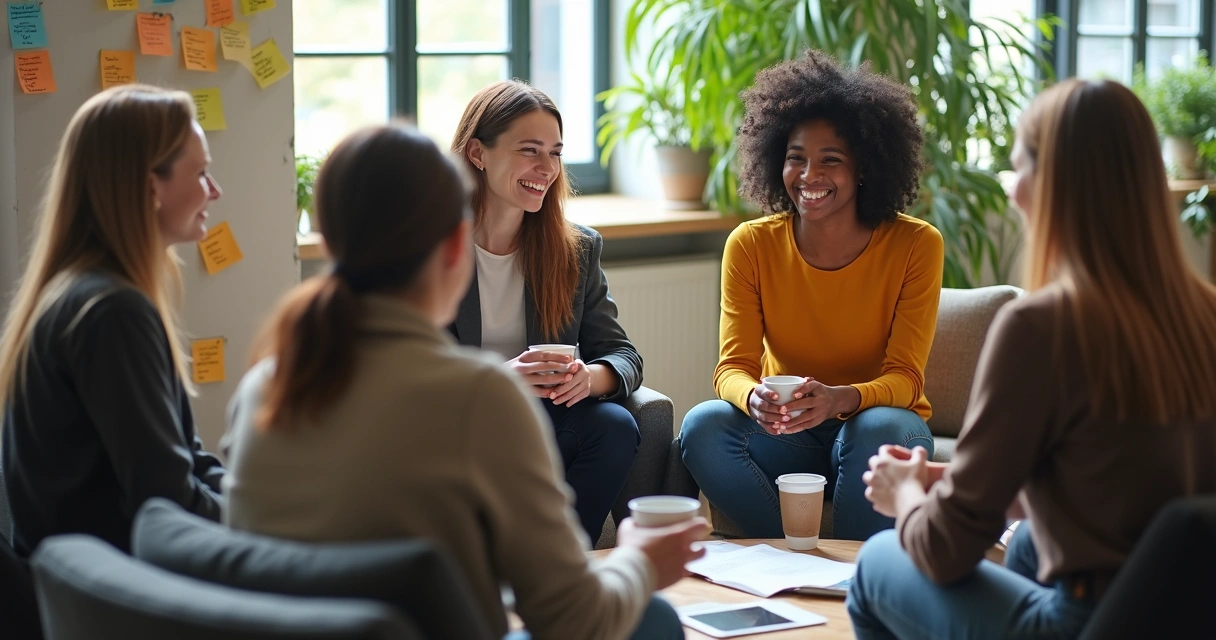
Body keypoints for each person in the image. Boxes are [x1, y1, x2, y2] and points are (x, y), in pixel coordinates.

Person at [222, 123, 705, 640]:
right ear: (457, 244)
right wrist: (637, 560)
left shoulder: (263, 386)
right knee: (653, 618)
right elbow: (575, 620)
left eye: (556, 153)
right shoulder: (478, 396)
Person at [849, 78, 1216, 638]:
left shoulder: (1041, 327)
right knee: (1023, 552)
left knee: (877, 563)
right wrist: (951, 479)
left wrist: (905, 496)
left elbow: (945, 550)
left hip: (1087, 620)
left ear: (1056, 186)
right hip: (1185, 614)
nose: (1014, 191)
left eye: (1021, 169)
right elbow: (1112, 477)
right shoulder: (1205, 313)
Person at [679, 50, 943, 541]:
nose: (808, 176)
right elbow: (729, 368)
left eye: (830, 161)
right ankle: (790, 558)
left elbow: (906, 379)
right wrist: (752, 397)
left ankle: (856, 575)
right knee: (704, 426)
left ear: (864, 169)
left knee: (878, 429)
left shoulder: (915, 244)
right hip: (788, 433)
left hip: (875, 428)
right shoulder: (752, 244)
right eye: (795, 158)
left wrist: (839, 399)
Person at [0, 85, 226, 559]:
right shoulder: (111, 314)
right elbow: (167, 502)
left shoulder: (88, 293)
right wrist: (275, 523)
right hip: (118, 598)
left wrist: (260, 505)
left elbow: (189, 460)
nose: (214, 191)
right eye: (202, 173)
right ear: (151, 186)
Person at [448, 80, 643, 541]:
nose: (547, 168)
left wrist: (589, 378)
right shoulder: (430, 248)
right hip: (458, 424)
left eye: (555, 153)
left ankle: (563, 567)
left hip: (544, 421)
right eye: (529, 150)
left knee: (614, 426)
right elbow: (402, 367)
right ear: (478, 153)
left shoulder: (576, 250)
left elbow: (622, 355)